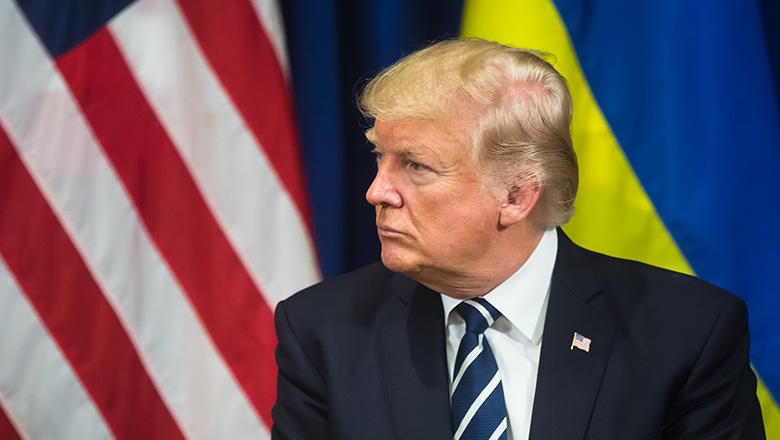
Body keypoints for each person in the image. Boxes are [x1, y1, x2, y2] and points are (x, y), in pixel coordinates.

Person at [271, 38, 765, 440]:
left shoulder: (688, 333)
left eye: (416, 166)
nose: (377, 191)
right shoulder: (322, 329)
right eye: (380, 157)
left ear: (515, 196)